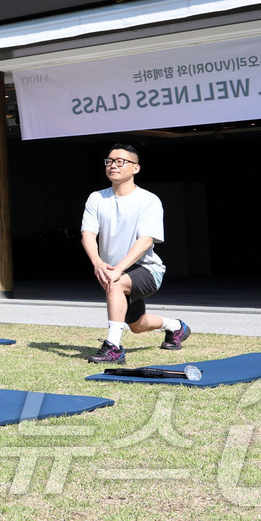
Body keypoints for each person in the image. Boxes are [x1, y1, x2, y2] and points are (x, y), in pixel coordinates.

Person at [81, 143, 190, 363]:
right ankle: (177, 327)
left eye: (121, 161)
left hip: (146, 269)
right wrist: (97, 262)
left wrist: (118, 269)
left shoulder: (148, 200)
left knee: (116, 283)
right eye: (110, 161)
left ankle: (113, 348)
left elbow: (146, 240)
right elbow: (88, 233)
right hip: (113, 269)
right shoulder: (96, 198)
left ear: (135, 168)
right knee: (137, 325)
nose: (113, 165)